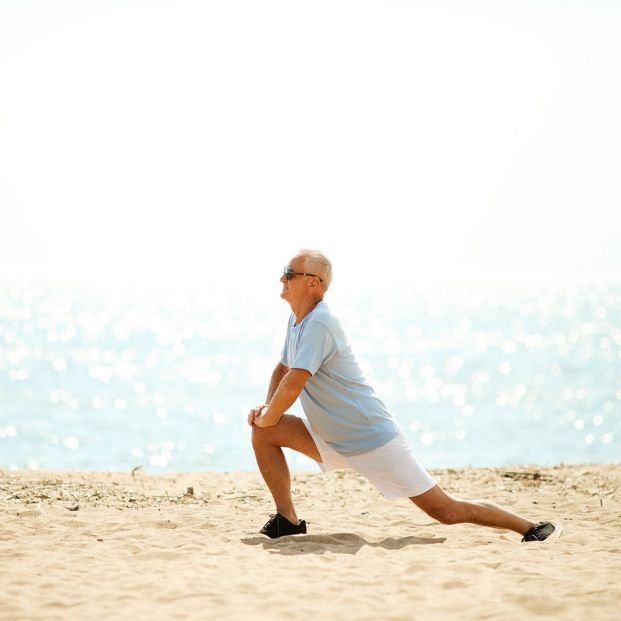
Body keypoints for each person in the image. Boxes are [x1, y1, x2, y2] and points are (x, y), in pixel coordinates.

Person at [248, 249, 559, 542]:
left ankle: (531, 527)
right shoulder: (297, 321)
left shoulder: (321, 324)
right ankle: (287, 520)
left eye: (289, 273)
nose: (282, 278)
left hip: (371, 440)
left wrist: (268, 417)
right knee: (263, 434)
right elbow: (283, 370)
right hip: (329, 437)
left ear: (313, 283)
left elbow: (294, 384)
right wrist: (266, 412)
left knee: (446, 512)